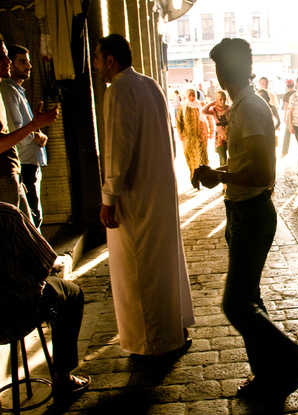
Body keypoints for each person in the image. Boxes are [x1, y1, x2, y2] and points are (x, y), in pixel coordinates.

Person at [193, 37, 298, 402]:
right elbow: (250, 161)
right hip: (241, 213)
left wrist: (222, 178)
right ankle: (266, 377)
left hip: (252, 215)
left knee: (235, 304)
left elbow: (262, 171)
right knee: (250, 300)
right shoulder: (245, 105)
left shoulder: (249, 109)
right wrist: (220, 171)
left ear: (222, 72)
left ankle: (294, 360)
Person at [0, 138, 90, 401]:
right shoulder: (6, 215)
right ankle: (63, 377)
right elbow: (45, 262)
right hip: (18, 312)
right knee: (72, 293)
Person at [94, 34, 195, 357]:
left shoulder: (119, 91)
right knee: (162, 263)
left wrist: (109, 197)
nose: (96, 66)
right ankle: (174, 328)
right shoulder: (150, 84)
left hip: (135, 196)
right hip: (159, 189)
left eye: (97, 59)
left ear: (111, 60)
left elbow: (116, 151)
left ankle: (152, 341)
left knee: (140, 271)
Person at [0, 36, 58, 221]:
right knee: (12, 238)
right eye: (0, 57)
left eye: (7, 56)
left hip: (11, 174)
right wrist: (34, 125)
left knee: (27, 233)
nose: (7, 62)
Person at [0, 44, 48, 228]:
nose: (28, 66)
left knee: (35, 212)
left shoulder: (18, 90)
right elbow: (16, 128)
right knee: (32, 216)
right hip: (25, 160)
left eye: (28, 62)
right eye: (22, 62)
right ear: (10, 64)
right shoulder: (8, 91)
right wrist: (36, 135)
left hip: (31, 161)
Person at [177, 88, 211, 181]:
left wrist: (211, 131)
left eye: (193, 95)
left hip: (201, 137)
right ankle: (194, 178)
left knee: (202, 157)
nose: (192, 97)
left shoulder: (201, 105)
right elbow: (179, 121)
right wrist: (180, 133)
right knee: (191, 158)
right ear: (186, 96)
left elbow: (209, 119)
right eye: (190, 95)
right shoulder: (183, 107)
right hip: (189, 138)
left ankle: (204, 178)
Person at [202, 90, 231, 168]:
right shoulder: (214, 110)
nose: (222, 101)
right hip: (219, 136)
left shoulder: (229, 108)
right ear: (216, 100)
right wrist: (212, 103)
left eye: (224, 99)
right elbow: (203, 111)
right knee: (222, 158)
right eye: (220, 99)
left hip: (230, 134)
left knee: (232, 158)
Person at [281, 79, 296, 156]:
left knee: (287, 133)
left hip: (289, 114)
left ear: (287, 86)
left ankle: (284, 150)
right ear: (293, 85)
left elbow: (286, 106)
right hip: (297, 114)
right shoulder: (297, 93)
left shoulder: (286, 95)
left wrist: (284, 117)